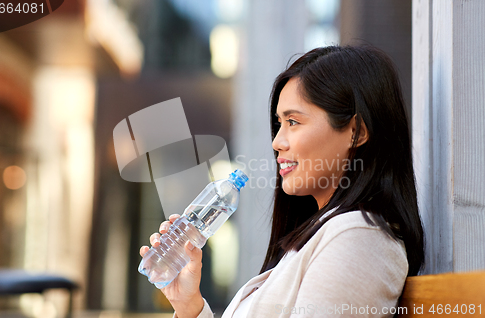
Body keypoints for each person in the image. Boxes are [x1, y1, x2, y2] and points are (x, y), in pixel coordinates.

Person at [139, 45, 425, 318]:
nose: (277, 142)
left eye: (293, 122)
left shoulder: (360, 240)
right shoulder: (321, 233)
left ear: (356, 132)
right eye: (279, 123)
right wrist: (190, 306)